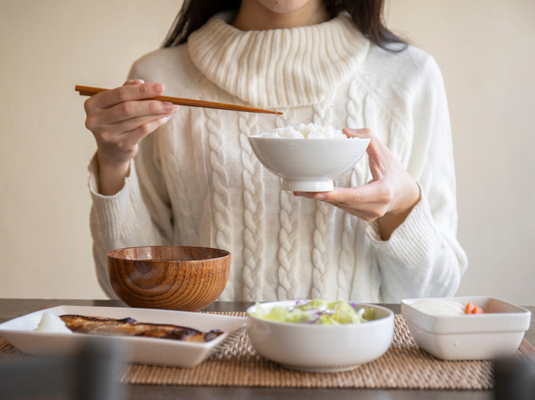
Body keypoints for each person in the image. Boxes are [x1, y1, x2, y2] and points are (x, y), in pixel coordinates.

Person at [83, 0, 468, 302]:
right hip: (205, 369)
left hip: (356, 371)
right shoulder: (161, 80)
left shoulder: (408, 76)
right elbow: (134, 288)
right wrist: (113, 161)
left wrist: (401, 209)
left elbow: (433, 292)